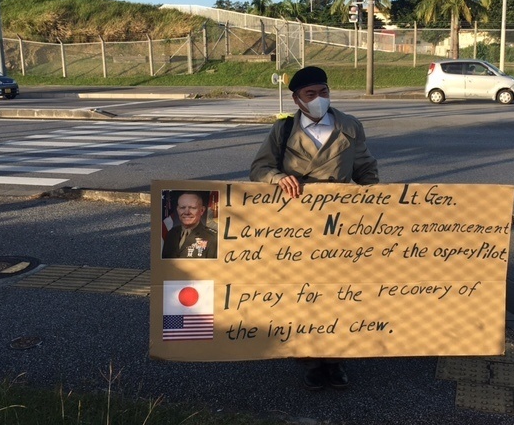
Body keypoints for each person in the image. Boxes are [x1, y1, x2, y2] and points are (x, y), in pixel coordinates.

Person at [250, 66, 379, 390]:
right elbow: (259, 168)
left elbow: (365, 169)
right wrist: (279, 178)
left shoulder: (349, 125)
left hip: (340, 223)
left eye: (324, 92)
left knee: (338, 292)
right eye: (311, 94)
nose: (319, 99)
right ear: (297, 99)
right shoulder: (282, 131)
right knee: (304, 292)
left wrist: (376, 209)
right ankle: (309, 359)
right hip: (298, 225)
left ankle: (335, 361)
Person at [162, 192, 218, 259]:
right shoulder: (171, 233)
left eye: (192, 208)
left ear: (202, 210)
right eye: (182, 207)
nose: (187, 212)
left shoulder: (212, 238)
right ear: (177, 209)